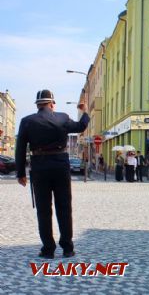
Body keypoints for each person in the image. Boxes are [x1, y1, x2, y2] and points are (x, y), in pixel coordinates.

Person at [15, 89, 90, 259]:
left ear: (38, 105)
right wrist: (84, 111)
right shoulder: (63, 118)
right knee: (64, 207)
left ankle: (48, 249)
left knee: (43, 210)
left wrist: (21, 173)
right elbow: (81, 126)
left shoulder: (27, 121)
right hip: (61, 166)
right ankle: (68, 248)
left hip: (39, 167)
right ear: (51, 104)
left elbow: (20, 149)